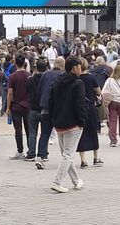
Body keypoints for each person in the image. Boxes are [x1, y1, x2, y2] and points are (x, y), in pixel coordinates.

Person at [49, 57, 88, 193]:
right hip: (73, 124)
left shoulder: (57, 81)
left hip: (59, 123)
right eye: (79, 66)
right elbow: (80, 104)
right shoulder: (78, 83)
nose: (80, 69)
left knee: (67, 154)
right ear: (74, 68)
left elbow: (51, 101)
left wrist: (53, 119)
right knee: (68, 155)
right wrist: (82, 121)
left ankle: (76, 181)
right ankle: (57, 181)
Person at [36, 56, 64, 167]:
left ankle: (41, 155)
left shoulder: (45, 75)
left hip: (46, 108)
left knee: (45, 133)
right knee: (63, 133)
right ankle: (66, 156)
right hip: (59, 109)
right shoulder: (63, 76)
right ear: (63, 65)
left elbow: (40, 90)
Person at [6, 54, 32, 160]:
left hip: (16, 106)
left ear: (15, 63)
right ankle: (31, 150)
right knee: (29, 129)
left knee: (18, 129)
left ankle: (20, 151)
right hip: (28, 105)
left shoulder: (12, 76)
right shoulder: (29, 75)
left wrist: (8, 107)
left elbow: (10, 93)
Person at [76, 63, 102, 169]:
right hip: (90, 107)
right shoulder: (92, 77)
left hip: (79, 108)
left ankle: (83, 160)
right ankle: (95, 157)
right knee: (93, 131)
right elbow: (99, 92)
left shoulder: (76, 79)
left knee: (81, 133)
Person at [102, 62, 120, 146]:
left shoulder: (110, 80)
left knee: (113, 120)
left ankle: (113, 140)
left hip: (113, 101)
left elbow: (104, 91)